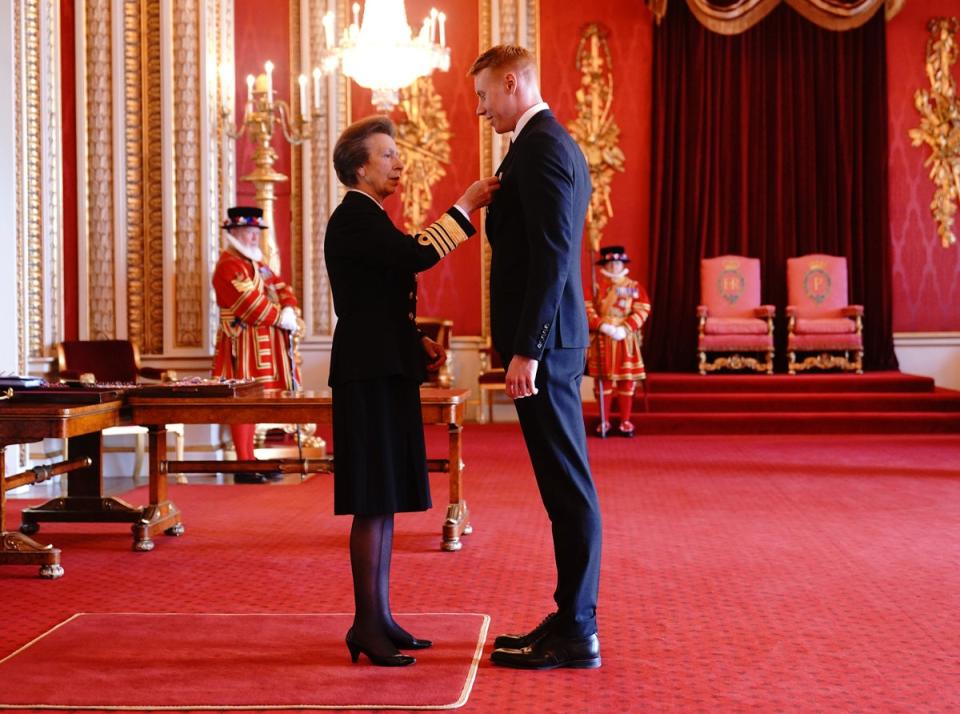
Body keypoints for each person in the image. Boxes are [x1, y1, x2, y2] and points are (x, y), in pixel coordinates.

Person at [324, 115, 498, 667]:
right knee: (372, 500)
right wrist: (464, 206)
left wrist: (414, 339)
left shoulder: (369, 219)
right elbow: (415, 256)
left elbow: (380, 297)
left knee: (385, 500)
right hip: (367, 371)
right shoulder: (354, 217)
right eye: (387, 156)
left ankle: (379, 618)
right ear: (359, 167)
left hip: (383, 363)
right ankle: (365, 624)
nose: (399, 164)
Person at [470, 45, 603, 669]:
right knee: (559, 486)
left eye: (483, 97)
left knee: (568, 487)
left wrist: (528, 347)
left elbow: (553, 255)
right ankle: (570, 615)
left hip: (545, 349)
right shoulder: (540, 145)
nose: (480, 110)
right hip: (548, 345)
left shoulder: (544, 144)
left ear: (511, 82)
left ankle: (578, 630)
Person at [211, 206, 300, 484]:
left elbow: (283, 287)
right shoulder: (229, 265)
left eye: (255, 233)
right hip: (242, 344)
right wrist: (279, 316)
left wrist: (289, 309)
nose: (254, 238)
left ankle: (249, 459)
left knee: (255, 401)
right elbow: (248, 305)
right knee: (242, 401)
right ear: (235, 233)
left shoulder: (256, 263)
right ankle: (242, 462)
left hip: (263, 343)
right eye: (249, 233)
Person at [586, 245, 651, 437]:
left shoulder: (633, 287)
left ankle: (625, 421)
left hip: (625, 340)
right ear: (604, 265)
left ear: (622, 263)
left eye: (617, 263)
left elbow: (643, 309)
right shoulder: (596, 287)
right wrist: (601, 325)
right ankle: (604, 421)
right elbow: (586, 309)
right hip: (603, 339)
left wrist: (626, 328)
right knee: (603, 382)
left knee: (626, 381)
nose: (614, 266)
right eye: (610, 263)